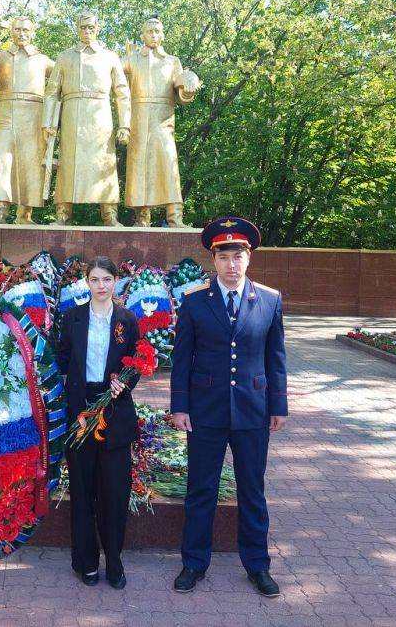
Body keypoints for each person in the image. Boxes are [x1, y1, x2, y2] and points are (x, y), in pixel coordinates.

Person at [169, 217, 288, 597]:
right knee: (200, 489)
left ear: (248, 259)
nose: (231, 264)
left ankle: (257, 566)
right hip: (205, 411)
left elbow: (276, 358)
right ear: (214, 261)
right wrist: (179, 407)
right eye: (224, 256)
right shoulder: (193, 302)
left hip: (253, 410)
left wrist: (278, 406)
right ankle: (194, 563)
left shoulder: (269, 300)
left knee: (252, 490)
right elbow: (182, 358)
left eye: (238, 256)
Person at [54, 256, 141, 589]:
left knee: (115, 491)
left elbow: (137, 360)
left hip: (115, 411)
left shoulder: (128, 319)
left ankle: (114, 562)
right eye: (95, 280)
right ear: (86, 283)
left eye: (107, 279)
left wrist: (126, 382)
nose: (101, 286)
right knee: (82, 488)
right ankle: (86, 562)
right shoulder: (72, 318)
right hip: (80, 411)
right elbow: (60, 359)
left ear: (115, 282)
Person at [42, 12, 131, 227]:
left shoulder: (110, 56)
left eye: (91, 27)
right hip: (72, 114)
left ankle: (109, 214)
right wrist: (48, 122)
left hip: (100, 115)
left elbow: (122, 92)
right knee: (68, 163)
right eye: (83, 27)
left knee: (105, 164)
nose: (87, 31)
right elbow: (52, 91)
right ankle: (63, 212)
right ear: (77, 29)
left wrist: (125, 124)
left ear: (98, 28)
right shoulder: (65, 56)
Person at [0, 15, 55, 225]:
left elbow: (64, 79)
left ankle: (25, 215)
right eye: (17, 29)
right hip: (7, 113)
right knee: (2, 161)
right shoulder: (0, 56)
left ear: (33, 32)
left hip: (34, 115)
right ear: (11, 32)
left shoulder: (42, 60)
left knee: (31, 163)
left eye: (26, 30)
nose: (22, 33)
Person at [121, 18, 201, 228]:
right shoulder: (132, 59)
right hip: (138, 118)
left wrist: (188, 88)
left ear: (163, 34)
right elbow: (112, 76)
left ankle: (175, 217)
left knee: (168, 164)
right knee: (139, 168)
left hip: (163, 120)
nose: (154, 35)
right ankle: (141, 218)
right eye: (149, 31)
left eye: (157, 31)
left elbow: (181, 91)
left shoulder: (172, 61)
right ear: (142, 36)